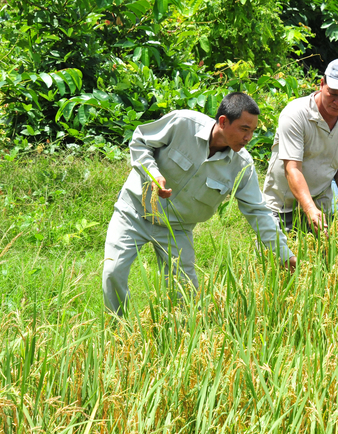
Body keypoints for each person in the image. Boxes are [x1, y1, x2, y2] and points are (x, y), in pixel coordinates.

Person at [102, 93, 296, 316]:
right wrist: (152, 173)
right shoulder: (183, 123)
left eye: (252, 131)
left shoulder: (242, 165)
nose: (248, 138)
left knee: (184, 294)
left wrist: (284, 253)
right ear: (223, 121)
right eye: (244, 129)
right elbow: (141, 140)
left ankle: (181, 339)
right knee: (113, 271)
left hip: (177, 228)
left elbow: (258, 211)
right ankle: (120, 331)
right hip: (134, 212)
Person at [263, 59, 338, 233]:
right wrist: (308, 208)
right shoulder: (296, 114)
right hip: (282, 204)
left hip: (321, 202)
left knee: (323, 255)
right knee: (277, 257)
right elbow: (292, 169)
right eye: (333, 94)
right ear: (322, 84)